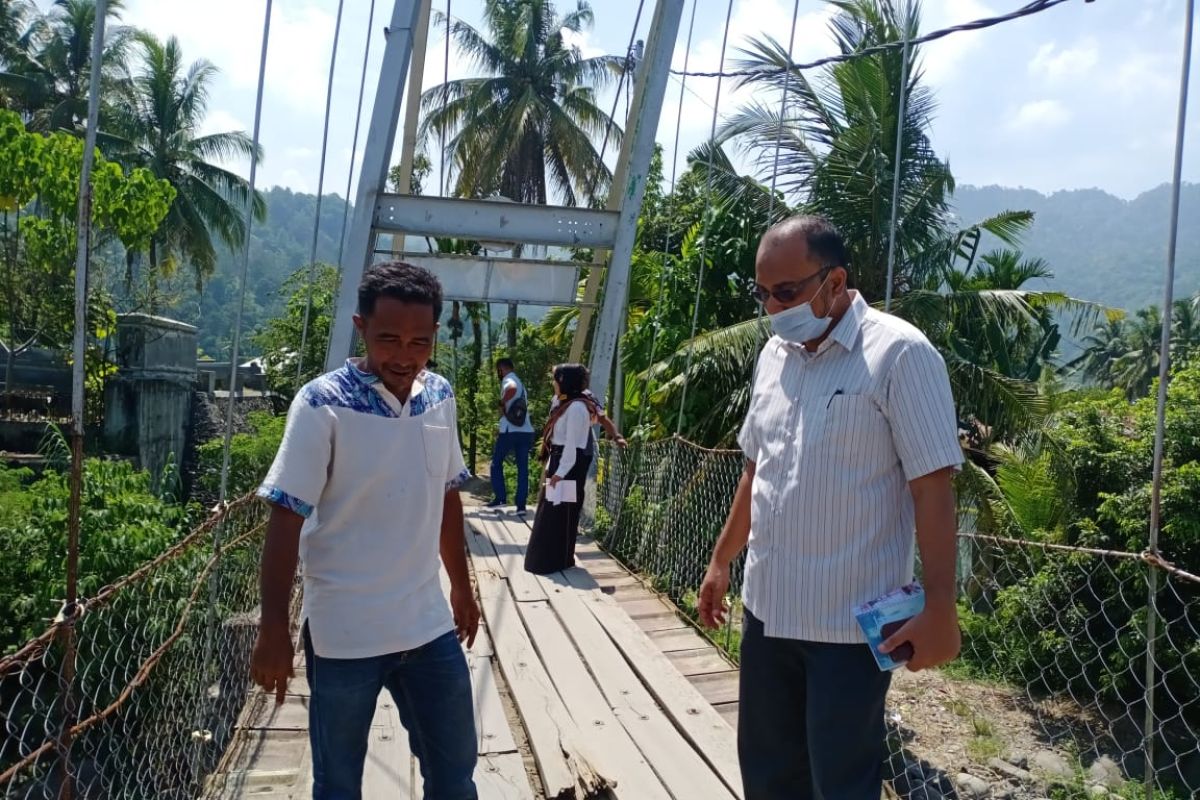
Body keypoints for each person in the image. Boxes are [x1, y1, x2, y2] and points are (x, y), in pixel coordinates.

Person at [697, 216, 963, 800]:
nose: (772, 307)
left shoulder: (901, 355)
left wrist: (942, 606)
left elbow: (932, 488)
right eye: (762, 293)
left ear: (835, 281)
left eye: (786, 292)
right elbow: (755, 468)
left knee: (841, 781)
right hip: (767, 612)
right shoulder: (774, 356)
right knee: (768, 775)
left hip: (850, 627)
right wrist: (721, 560)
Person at [250, 261, 481, 800]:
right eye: (388, 339)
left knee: (454, 773)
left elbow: (447, 494)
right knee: (338, 783)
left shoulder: (438, 396)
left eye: (419, 342)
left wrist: (462, 586)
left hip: (425, 623)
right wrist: (273, 630)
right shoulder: (321, 403)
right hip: (343, 632)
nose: (403, 356)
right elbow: (286, 516)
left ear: (434, 337)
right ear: (360, 327)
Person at [524, 363, 594, 575]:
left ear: (565, 382)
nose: (553, 384)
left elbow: (572, 446)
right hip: (560, 461)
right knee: (551, 511)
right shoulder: (565, 403)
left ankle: (558, 560)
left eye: (556, 380)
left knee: (561, 512)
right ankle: (548, 560)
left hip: (568, 465)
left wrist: (558, 474)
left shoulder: (577, 408)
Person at [487, 358, 535, 514]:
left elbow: (511, 389)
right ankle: (521, 506)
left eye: (498, 370)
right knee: (523, 468)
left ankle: (501, 498)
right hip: (525, 430)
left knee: (496, 463)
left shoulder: (509, 380)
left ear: (501, 369)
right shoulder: (520, 381)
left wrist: (502, 402)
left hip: (510, 431)